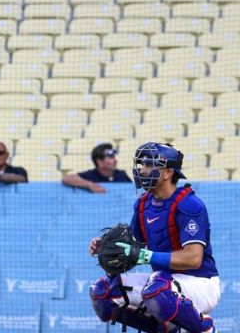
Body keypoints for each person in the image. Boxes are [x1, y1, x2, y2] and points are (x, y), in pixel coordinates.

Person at [88, 142, 220, 333]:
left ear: (168, 173)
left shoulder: (189, 204)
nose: (142, 170)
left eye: (150, 165)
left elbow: (193, 258)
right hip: (164, 283)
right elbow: (133, 249)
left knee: (157, 287)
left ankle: (205, 329)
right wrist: (107, 248)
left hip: (201, 283)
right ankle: (164, 329)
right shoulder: (143, 205)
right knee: (103, 292)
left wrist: (145, 256)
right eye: (142, 164)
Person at [62, 143, 132, 193]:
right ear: (100, 162)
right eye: (111, 157)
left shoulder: (122, 175)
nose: (115, 160)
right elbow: (66, 178)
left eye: (114, 157)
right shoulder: (91, 175)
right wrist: (90, 185)